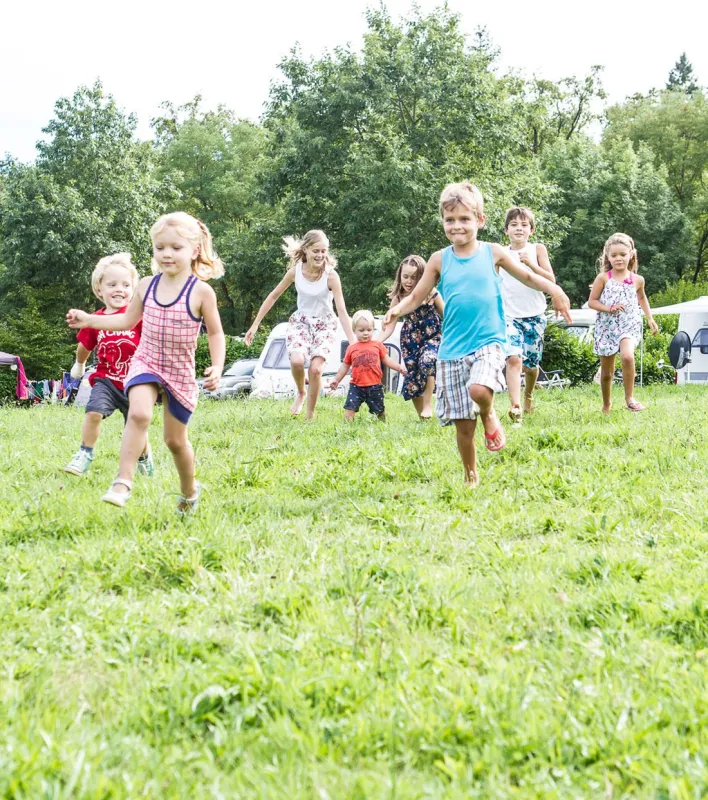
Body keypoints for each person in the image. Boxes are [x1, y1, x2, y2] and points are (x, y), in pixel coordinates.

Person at [384, 182, 572, 487]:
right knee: (463, 425)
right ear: (443, 222)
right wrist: (397, 310)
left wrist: (555, 289)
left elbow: (527, 276)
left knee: (480, 391)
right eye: (450, 220)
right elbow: (418, 295)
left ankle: (489, 413)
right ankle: (471, 476)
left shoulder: (493, 252)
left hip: (489, 340)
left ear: (480, 220)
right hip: (452, 349)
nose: (457, 226)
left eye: (464, 219)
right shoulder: (439, 259)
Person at [67, 212, 225, 512]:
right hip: (146, 361)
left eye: (175, 248)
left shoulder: (201, 292)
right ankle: (122, 482)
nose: (166, 254)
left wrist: (217, 366)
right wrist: (89, 319)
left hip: (179, 371)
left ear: (193, 249)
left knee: (175, 442)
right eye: (160, 247)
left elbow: (216, 333)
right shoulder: (146, 287)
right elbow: (127, 319)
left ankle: (189, 492)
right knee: (139, 415)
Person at [244, 230, 355, 419]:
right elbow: (273, 296)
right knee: (296, 361)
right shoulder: (295, 272)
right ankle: (301, 392)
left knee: (316, 369)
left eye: (323, 251)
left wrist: (354, 343)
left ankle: (309, 415)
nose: (320, 255)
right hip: (301, 321)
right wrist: (255, 325)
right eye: (316, 251)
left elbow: (342, 312)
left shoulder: (331, 276)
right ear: (306, 250)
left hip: (325, 324)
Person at [64, 253, 154, 477]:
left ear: (134, 288)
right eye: (112, 284)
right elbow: (85, 345)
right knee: (93, 412)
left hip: (136, 383)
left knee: (135, 427)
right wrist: (79, 365)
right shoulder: (95, 319)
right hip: (106, 380)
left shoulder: (138, 317)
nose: (119, 289)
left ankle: (144, 457)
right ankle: (85, 453)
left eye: (125, 284)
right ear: (99, 289)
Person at [588, 232, 658, 413]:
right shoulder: (604, 278)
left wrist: (650, 318)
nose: (618, 258)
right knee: (606, 373)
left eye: (622, 254)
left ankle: (630, 398)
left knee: (627, 356)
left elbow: (642, 298)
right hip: (607, 327)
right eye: (614, 255)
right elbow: (592, 302)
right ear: (608, 257)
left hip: (629, 324)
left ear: (631, 254)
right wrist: (609, 307)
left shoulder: (638, 280)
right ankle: (606, 404)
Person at [500, 207, 556, 425]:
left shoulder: (537, 249)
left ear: (531, 230)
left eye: (523, 225)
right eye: (514, 225)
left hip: (534, 315)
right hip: (508, 316)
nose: (519, 229)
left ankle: (528, 395)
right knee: (513, 358)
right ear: (506, 230)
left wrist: (531, 264)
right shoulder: (501, 254)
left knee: (531, 365)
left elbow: (551, 280)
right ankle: (515, 406)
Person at [379, 255, 443, 420]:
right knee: (412, 379)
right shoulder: (398, 299)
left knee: (428, 361)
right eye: (405, 276)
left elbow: (448, 316)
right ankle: (423, 417)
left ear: (422, 277)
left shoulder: (431, 293)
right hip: (410, 341)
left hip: (432, 336)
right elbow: (389, 327)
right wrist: (374, 342)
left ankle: (428, 404)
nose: (408, 281)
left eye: (414, 277)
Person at [329, 310, 407, 421]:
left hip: (374, 386)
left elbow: (387, 360)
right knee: (349, 408)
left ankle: (382, 426)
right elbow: (344, 366)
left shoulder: (377, 345)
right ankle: (347, 428)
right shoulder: (351, 348)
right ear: (354, 330)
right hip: (356, 386)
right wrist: (336, 380)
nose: (365, 333)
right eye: (361, 330)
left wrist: (399, 367)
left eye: (369, 330)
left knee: (380, 410)